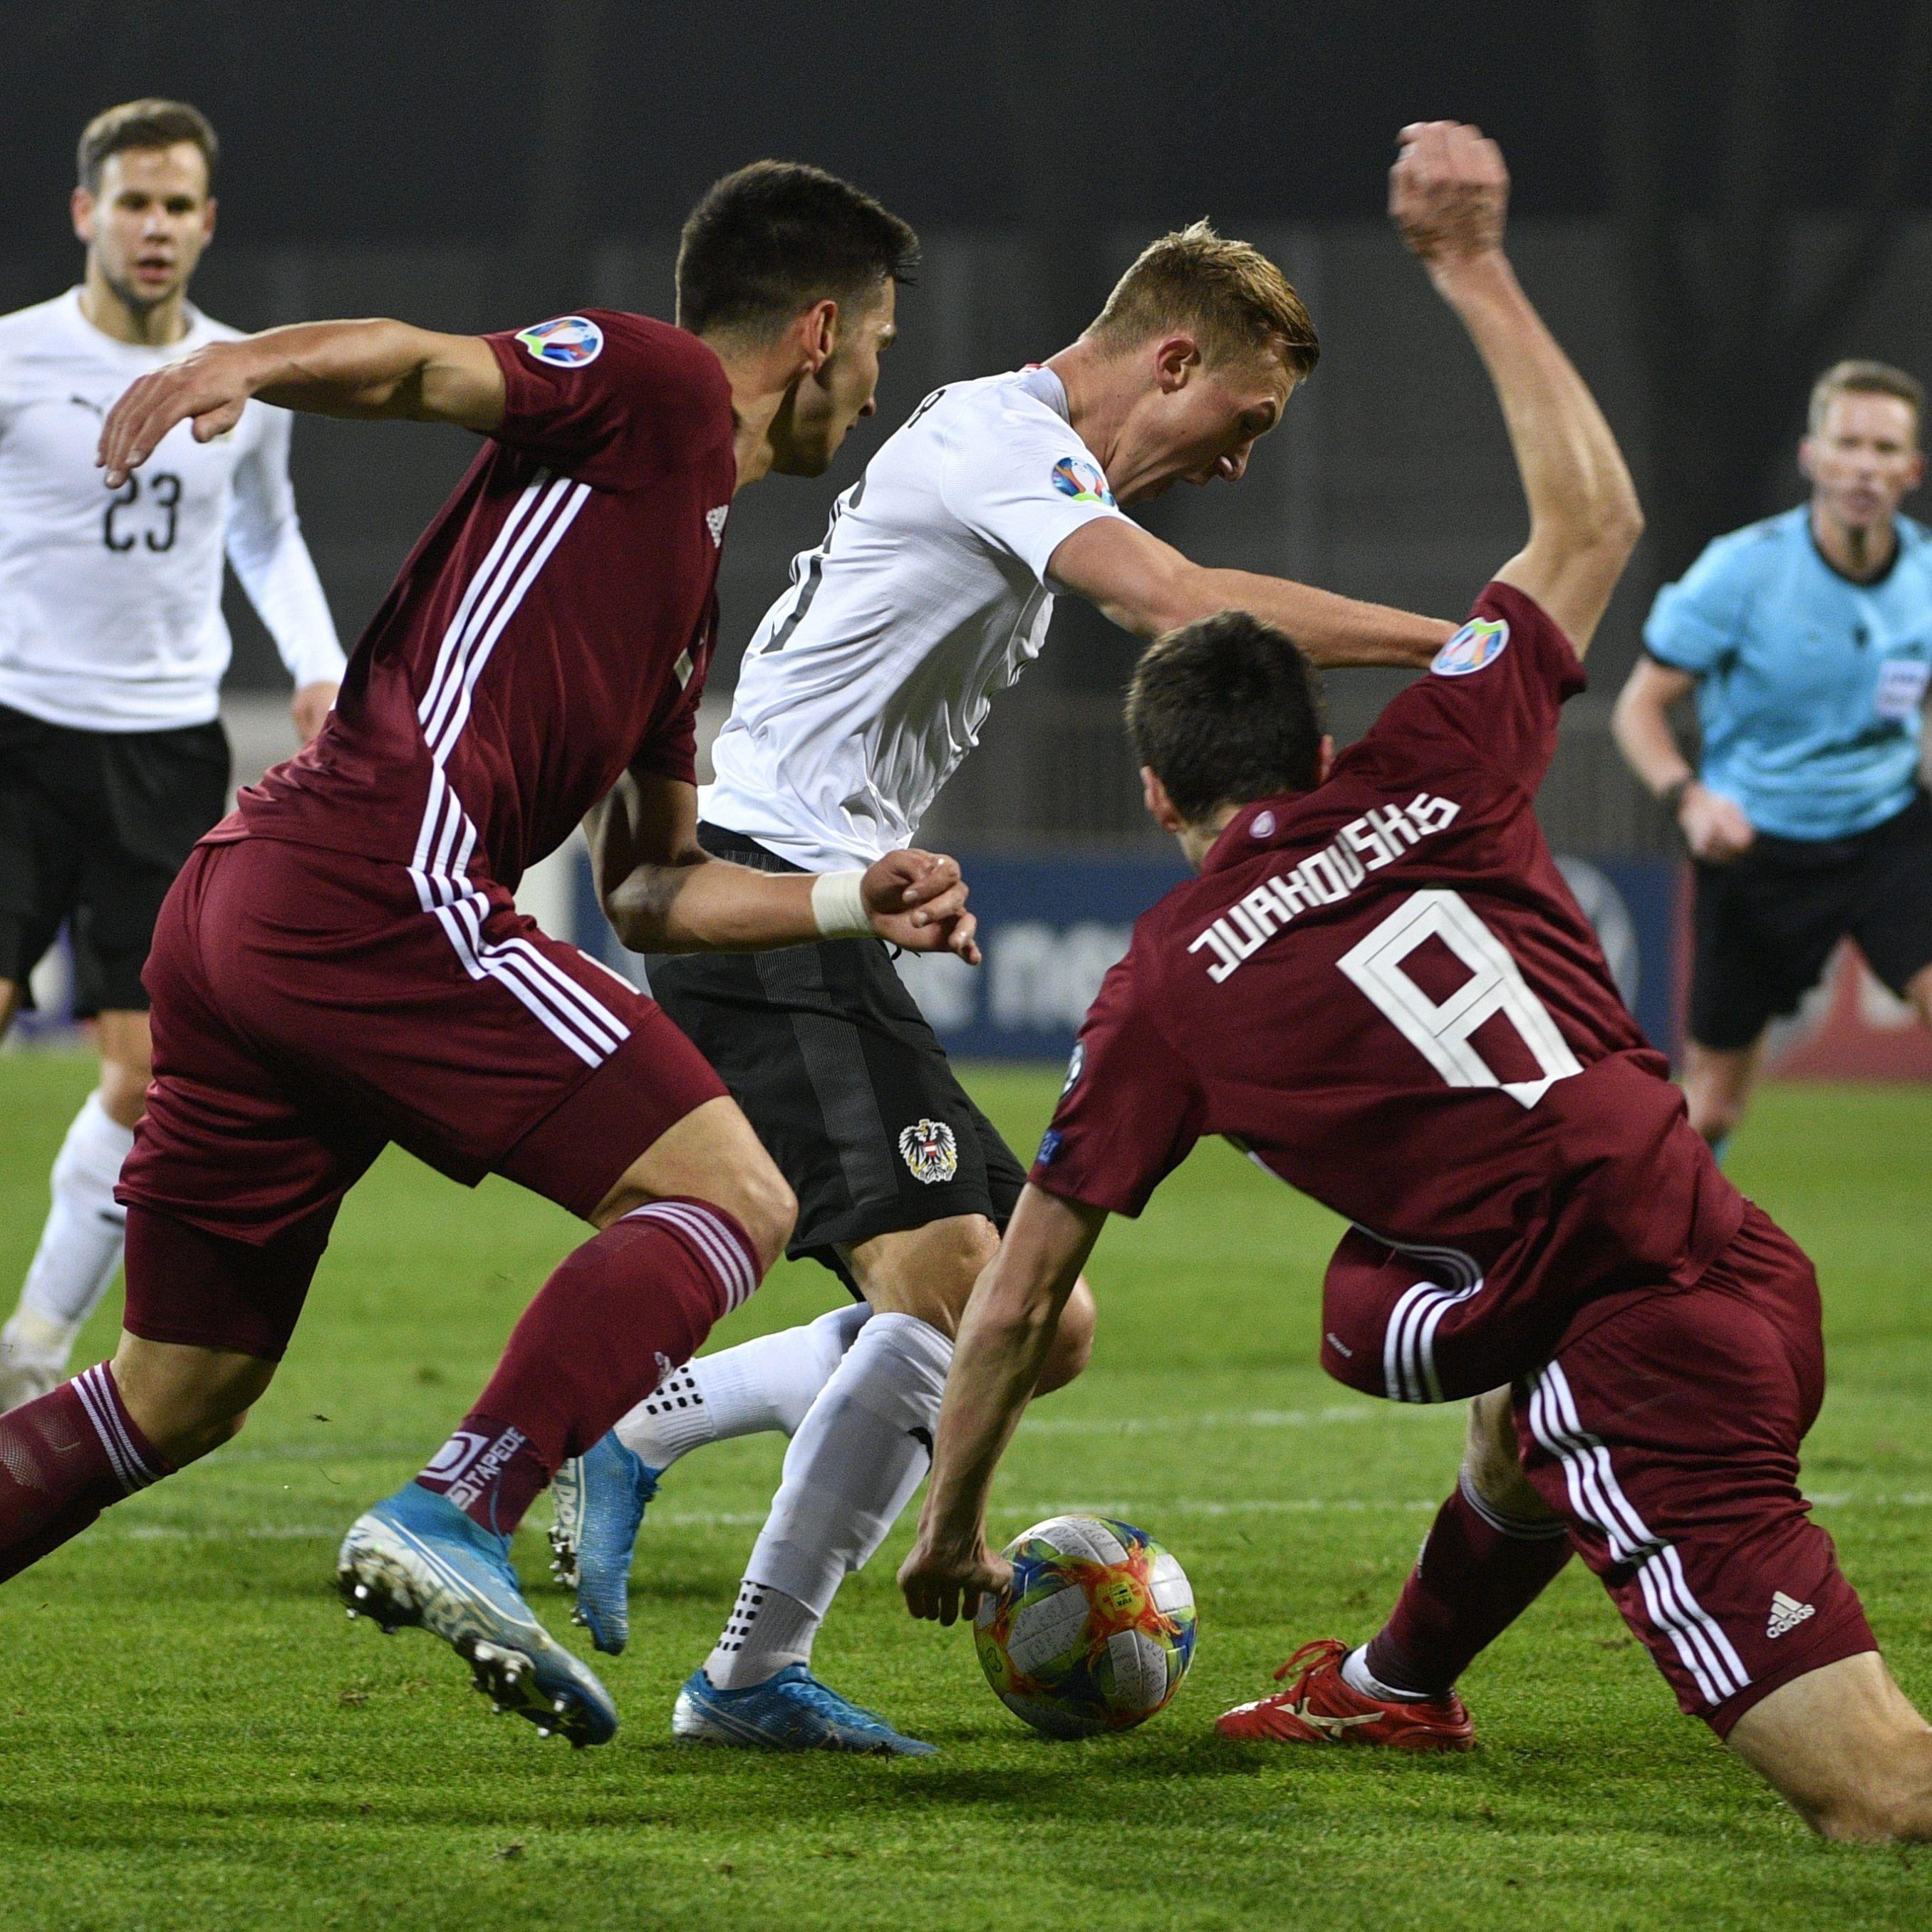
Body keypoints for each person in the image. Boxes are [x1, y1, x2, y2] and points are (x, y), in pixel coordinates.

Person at [899, 123, 1932, 1846]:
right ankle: (1394, 1684)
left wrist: (949, 1528)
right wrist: (1469, 261)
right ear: (1318, 746)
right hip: (1739, 1258)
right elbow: (1595, 516)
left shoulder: (1166, 982)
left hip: (1644, 1362)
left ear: (1154, 792)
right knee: (1497, 1392)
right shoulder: (1442, 753)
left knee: (1882, 1797)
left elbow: (1014, 1302)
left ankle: (1478, 1506)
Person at [0, 161, 977, 1752]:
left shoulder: (684, 577)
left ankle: (458, 1503)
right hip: (377, 879)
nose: (874, 390)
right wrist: (239, 362)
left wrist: (851, 901)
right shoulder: (658, 384)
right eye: (875, 347)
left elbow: (651, 886)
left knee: (175, 1394)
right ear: (818, 331)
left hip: (259, 910)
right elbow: (416, 366)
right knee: (734, 1197)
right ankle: (462, 1506)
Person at [549, 211, 1462, 1755]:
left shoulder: (1010, 458)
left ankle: (648, 1426)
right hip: (769, 890)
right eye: (1242, 417)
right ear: (1169, 358)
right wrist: (1460, 647)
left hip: (822, 898)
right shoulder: (1000, 438)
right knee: (962, 1291)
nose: (1238, 460)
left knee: (1046, 1321)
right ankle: (749, 1676)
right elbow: (1184, 605)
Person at [0, 99, 345, 1409]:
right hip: (15, 730)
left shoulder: (240, 378)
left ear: (206, 223)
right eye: (133, 202)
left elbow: (266, 530)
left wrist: (316, 662)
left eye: (177, 205)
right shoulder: (15, 359)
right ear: (87, 213)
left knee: (146, 1076)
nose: (155, 226)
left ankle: (31, 1346)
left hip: (162, 749)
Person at [1612, 361, 1932, 1153]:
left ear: (1912, 470)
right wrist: (1690, 800)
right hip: (1757, 848)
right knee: (1713, 1106)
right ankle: (1663, 1226)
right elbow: (1638, 708)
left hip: (1889, 832)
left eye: (1884, 449)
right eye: (1848, 444)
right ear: (1811, 457)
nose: (1864, 466)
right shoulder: (1741, 571)